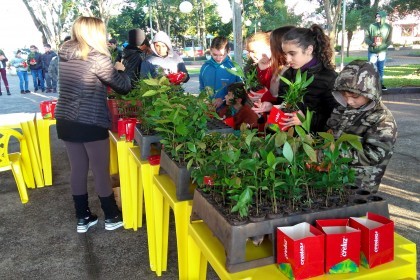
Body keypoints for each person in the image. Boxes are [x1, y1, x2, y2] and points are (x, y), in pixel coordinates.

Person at [55, 16, 131, 233]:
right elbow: (123, 87)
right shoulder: (97, 58)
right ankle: (111, 216)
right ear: (95, 33)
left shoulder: (65, 55)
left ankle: (83, 217)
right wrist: (120, 69)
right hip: (91, 120)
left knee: (77, 170)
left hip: (66, 119)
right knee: (100, 171)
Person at [326, 60, 397, 193]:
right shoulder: (342, 108)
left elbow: (373, 155)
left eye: (355, 96)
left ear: (371, 93)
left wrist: (332, 153)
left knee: (355, 213)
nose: (349, 101)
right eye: (344, 95)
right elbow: (331, 130)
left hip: (360, 184)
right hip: (334, 177)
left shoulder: (382, 119)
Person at [254, 24, 338, 133]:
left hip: (312, 142)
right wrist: (272, 106)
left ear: (309, 49)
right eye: (285, 54)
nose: (288, 59)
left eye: (292, 54)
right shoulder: (288, 74)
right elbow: (284, 103)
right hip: (286, 137)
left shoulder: (329, 78)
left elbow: (336, 118)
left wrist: (307, 120)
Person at [199, 36, 241, 111]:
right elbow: (202, 88)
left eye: (222, 55)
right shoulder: (205, 67)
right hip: (208, 111)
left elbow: (241, 91)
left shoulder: (234, 68)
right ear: (210, 50)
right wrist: (204, 101)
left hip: (229, 111)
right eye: (215, 54)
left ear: (228, 51)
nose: (218, 58)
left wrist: (223, 99)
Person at [364, 11, 392, 91]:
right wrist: (371, 43)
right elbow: (366, 38)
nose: (377, 18)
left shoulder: (388, 27)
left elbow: (389, 40)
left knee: (380, 68)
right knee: (371, 68)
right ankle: (371, 85)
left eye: (379, 16)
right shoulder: (371, 26)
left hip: (382, 52)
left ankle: (380, 84)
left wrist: (382, 46)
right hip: (372, 51)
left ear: (383, 17)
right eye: (376, 16)